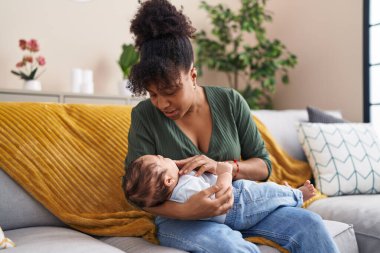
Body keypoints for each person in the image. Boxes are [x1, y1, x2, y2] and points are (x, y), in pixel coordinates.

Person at [125, 0, 340, 252]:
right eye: (152, 94)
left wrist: (226, 168)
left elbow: (263, 166)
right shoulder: (144, 116)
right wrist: (186, 210)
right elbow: (136, 193)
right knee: (226, 245)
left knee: (310, 224)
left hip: (242, 206)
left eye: (170, 91)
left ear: (193, 75)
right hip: (182, 220)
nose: (162, 103)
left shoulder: (230, 101)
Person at [123, 154, 316, 229]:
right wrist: (225, 171)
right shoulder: (185, 191)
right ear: (168, 180)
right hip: (237, 206)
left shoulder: (176, 189)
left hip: (236, 202)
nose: (165, 156)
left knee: (268, 193)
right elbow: (222, 197)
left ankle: (286, 194)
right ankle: (298, 195)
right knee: (266, 193)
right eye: (162, 159)